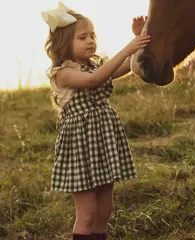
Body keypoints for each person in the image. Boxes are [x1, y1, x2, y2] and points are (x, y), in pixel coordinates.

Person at [42, 2, 150, 240]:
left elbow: (126, 67)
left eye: (93, 35)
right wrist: (128, 47)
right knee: (88, 214)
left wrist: (140, 38)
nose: (90, 41)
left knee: (104, 212)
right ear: (63, 43)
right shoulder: (63, 72)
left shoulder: (95, 65)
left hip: (102, 143)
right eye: (82, 37)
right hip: (81, 148)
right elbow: (95, 80)